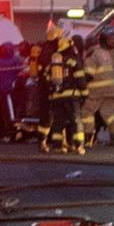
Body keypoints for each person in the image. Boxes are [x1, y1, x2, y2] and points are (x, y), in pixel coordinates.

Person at [41, 25, 88, 154]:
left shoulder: (54, 62)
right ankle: (79, 146)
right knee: (75, 121)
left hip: (57, 97)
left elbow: (47, 78)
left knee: (58, 123)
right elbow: (80, 77)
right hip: (72, 97)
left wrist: (51, 93)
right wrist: (84, 93)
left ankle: (57, 146)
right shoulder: (73, 60)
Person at [82, 30, 114, 149]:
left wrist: (81, 83)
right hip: (111, 90)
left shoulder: (92, 55)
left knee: (86, 112)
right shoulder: (105, 53)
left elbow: (89, 75)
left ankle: (89, 138)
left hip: (97, 91)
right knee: (108, 113)